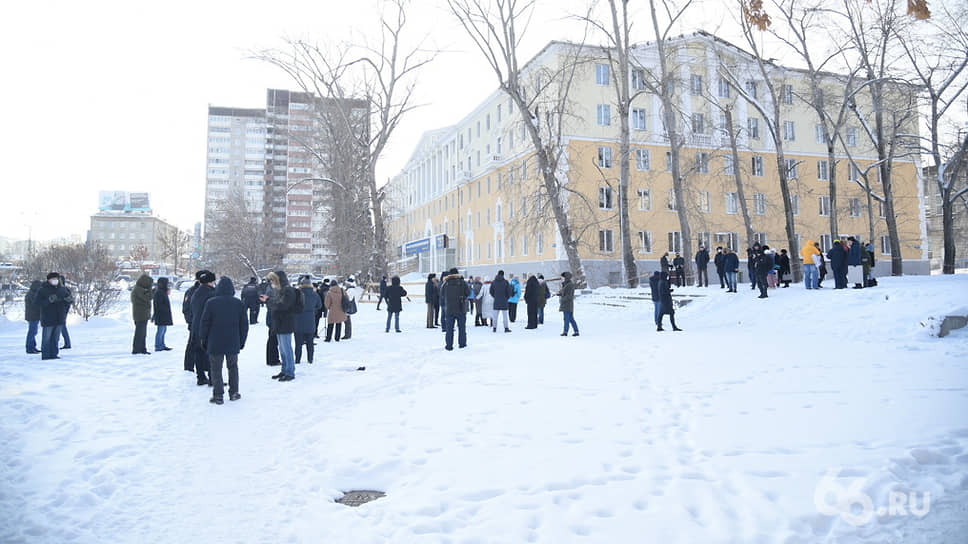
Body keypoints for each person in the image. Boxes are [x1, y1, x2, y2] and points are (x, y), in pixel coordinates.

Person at [198, 276, 248, 404]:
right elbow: (244, 326)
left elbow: (205, 323)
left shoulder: (211, 303)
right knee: (233, 367)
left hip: (215, 342)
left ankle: (218, 395)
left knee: (216, 369)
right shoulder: (239, 304)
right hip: (233, 341)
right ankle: (234, 392)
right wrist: (241, 341)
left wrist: (203, 339)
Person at [262, 271, 300, 382]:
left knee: (286, 348)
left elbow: (283, 305)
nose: (272, 283)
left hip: (285, 323)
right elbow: (278, 304)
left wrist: (268, 300)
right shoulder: (280, 290)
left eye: (273, 280)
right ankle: (284, 370)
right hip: (279, 323)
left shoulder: (287, 290)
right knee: (282, 349)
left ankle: (290, 371)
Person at [35, 272, 71, 360]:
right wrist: (49, 300)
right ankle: (46, 355)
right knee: (47, 338)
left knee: (56, 338)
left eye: (57, 279)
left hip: (60, 317)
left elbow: (68, 299)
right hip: (48, 317)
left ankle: (54, 354)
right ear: (49, 280)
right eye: (53, 279)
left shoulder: (63, 289)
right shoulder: (43, 290)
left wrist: (68, 300)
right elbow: (37, 303)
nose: (55, 281)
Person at [190, 271, 217, 384]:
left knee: (198, 352)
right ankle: (212, 378)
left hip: (196, 325)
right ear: (210, 282)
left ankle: (200, 377)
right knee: (211, 353)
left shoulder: (195, 293)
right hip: (208, 327)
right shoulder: (212, 294)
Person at [440, 268, 471, 351]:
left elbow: (442, 294)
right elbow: (468, 293)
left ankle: (449, 345)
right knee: (462, 328)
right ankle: (462, 344)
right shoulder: (462, 282)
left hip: (449, 309)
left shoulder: (445, 283)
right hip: (461, 308)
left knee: (449, 329)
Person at [294, 276, 322, 365]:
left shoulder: (297, 293)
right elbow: (320, 305)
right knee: (310, 342)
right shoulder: (315, 294)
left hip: (298, 320)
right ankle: (310, 359)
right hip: (310, 320)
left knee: (298, 343)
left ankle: (297, 359)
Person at [182, 272, 204, 372]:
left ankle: (204, 366)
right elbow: (186, 308)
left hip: (204, 323)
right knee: (192, 344)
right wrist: (190, 321)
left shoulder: (210, 291)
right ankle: (189, 366)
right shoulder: (191, 291)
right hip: (194, 322)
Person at [130, 274, 153, 355]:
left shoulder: (140, 289)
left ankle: (142, 348)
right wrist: (151, 290)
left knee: (142, 333)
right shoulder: (138, 290)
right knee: (140, 333)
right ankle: (137, 349)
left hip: (142, 314)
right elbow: (148, 297)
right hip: (140, 315)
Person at [152, 277, 174, 351]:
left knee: (163, 330)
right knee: (160, 331)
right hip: (161, 315)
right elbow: (159, 305)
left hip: (163, 315)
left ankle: (162, 344)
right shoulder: (159, 292)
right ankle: (158, 346)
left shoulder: (162, 292)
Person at [558, 271, 579, 337]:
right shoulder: (566, 284)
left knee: (567, 318)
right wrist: (560, 294)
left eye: (562, 277)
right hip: (566, 304)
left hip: (567, 304)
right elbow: (565, 293)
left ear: (566, 277)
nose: (561, 278)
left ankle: (565, 332)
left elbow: (569, 296)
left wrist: (562, 299)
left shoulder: (570, 285)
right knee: (570, 318)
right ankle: (576, 331)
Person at [24, 280, 42, 354]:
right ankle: (30, 348)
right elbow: (35, 304)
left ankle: (32, 347)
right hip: (32, 316)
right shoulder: (32, 294)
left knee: (33, 331)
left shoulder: (31, 293)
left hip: (33, 315)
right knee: (32, 332)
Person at [342, 276, 361, 340]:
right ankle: (348, 334)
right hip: (349, 306)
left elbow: (348, 299)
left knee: (347, 321)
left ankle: (347, 334)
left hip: (348, 307)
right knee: (347, 321)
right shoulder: (351, 289)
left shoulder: (350, 290)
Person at [57, 275, 73, 349]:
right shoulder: (65, 289)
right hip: (63, 309)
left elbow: (69, 300)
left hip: (62, 310)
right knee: (62, 326)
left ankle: (67, 343)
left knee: (61, 326)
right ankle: (67, 343)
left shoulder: (63, 290)